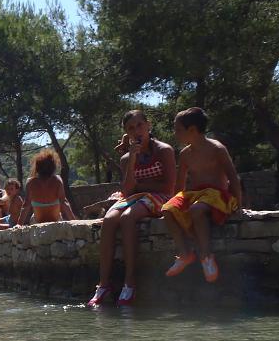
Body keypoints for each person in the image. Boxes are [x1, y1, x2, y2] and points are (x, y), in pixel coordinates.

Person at [87, 110, 177, 307]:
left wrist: (142, 186)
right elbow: (128, 190)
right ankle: (103, 284)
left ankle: (130, 282)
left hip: (160, 197)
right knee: (110, 219)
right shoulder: (126, 159)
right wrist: (133, 159)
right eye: (131, 128)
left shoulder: (164, 151)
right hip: (136, 197)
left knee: (128, 218)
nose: (137, 131)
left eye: (139, 126)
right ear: (127, 134)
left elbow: (169, 187)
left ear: (148, 126)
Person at [161, 107, 243, 283]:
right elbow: (180, 184)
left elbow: (232, 177)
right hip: (196, 194)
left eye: (178, 130)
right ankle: (185, 254)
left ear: (192, 130)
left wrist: (239, 205)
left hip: (217, 194)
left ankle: (206, 257)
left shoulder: (217, 148)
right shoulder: (185, 154)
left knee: (197, 210)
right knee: (167, 209)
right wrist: (176, 206)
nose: (175, 134)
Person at [17, 151, 76, 225]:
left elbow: (26, 205)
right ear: (53, 166)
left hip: (37, 222)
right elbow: (64, 203)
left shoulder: (31, 182)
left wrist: (19, 224)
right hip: (56, 221)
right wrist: (74, 221)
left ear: (37, 167)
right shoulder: (57, 180)